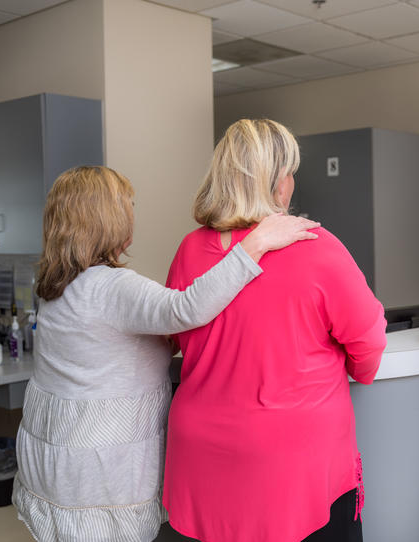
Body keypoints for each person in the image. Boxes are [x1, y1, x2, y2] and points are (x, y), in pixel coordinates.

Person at [12, 165, 319, 542]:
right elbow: (186, 308)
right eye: (128, 206)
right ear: (110, 220)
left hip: (54, 459)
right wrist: (255, 244)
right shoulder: (112, 288)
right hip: (98, 472)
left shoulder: (55, 285)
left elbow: (106, 344)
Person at [163, 119, 386, 542]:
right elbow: (369, 348)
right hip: (290, 464)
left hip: (201, 454)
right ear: (276, 181)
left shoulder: (190, 249)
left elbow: (175, 335)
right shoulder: (316, 246)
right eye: (289, 172)